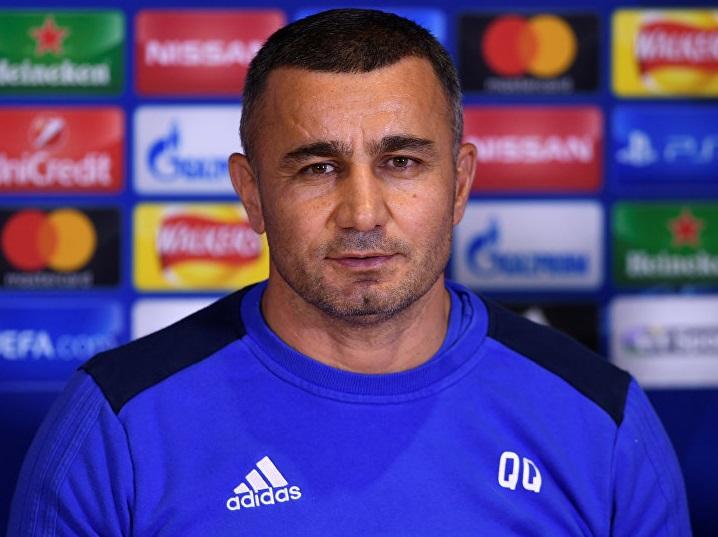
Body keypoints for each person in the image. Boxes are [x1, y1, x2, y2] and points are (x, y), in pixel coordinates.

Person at [8, 8, 690, 536]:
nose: (363, 212)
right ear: (252, 193)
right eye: (317, 168)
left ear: (459, 184)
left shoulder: (600, 419)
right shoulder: (117, 422)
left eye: (402, 162)